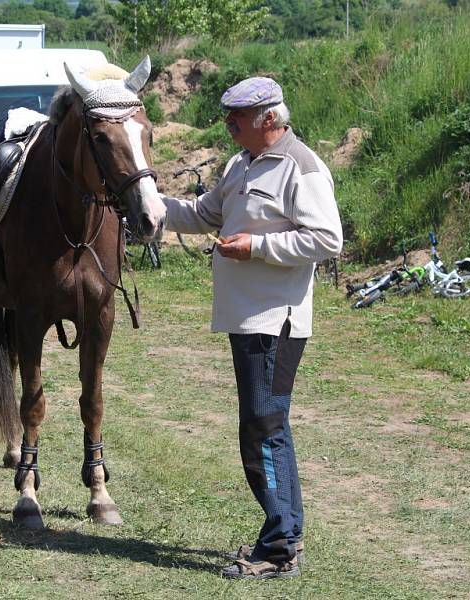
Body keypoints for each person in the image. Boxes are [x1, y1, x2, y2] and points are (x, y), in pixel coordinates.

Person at [159, 77, 343, 580]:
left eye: (237, 116)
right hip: (248, 319)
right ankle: (285, 535)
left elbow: (326, 239)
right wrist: (151, 204)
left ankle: (279, 546)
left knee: (264, 428)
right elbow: (202, 214)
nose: (228, 123)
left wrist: (256, 248)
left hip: (274, 321)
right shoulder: (240, 164)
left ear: (268, 119)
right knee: (265, 426)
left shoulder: (300, 166)